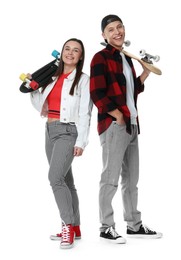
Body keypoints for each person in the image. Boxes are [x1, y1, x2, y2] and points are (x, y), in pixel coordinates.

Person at [90, 14, 162, 244]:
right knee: (110, 178)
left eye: (120, 27)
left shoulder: (125, 59)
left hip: (132, 124)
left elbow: (132, 91)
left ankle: (134, 224)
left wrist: (145, 72)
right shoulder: (100, 58)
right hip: (114, 125)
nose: (117, 32)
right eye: (111, 29)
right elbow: (97, 93)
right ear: (104, 35)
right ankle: (106, 227)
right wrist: (118, 115)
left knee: (131, 179)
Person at [30, 38, 93, 249]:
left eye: (76, 51)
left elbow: (85, 112)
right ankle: (75, 227)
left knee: (54, 177)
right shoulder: (52, 77)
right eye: (67, 49)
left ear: (80, 56)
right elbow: (41, 106)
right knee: (66, 180)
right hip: (49, 130)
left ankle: (67, 225)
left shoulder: (83, 80)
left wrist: (82, 141)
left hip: (68, 131)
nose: (70, 53)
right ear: (61, 53)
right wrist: (32, 88)